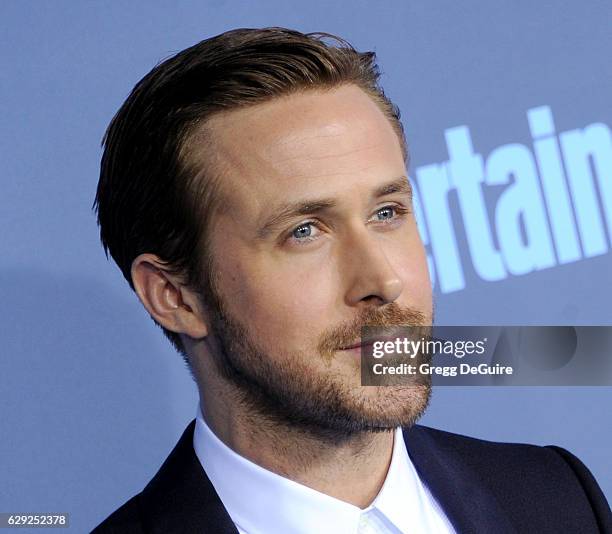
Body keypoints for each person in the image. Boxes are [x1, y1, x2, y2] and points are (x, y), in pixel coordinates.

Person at [91, 27, 611, 533]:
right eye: (305, 231)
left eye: (387, 213)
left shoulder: (557, 497)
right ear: (175, 296)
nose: (383, 281)